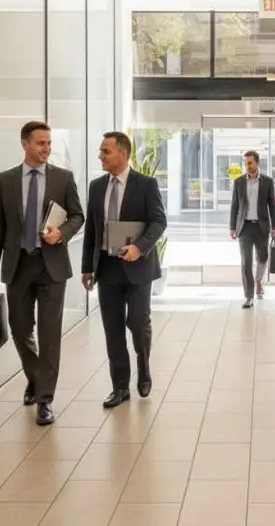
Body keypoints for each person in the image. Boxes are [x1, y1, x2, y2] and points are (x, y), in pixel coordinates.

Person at [0, 121, 85, 425]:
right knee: (19, 328)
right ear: (24, 144)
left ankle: (45, 399)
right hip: (18, 265)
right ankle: (36, 376)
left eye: (49, 143)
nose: (46, 149)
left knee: (50, 334)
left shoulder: (63, 179)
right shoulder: (6, 180)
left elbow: (78, 216)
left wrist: (62, 233)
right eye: (40, 143)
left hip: (51, 265)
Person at [82, 131, 167, 409]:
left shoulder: (146, 184)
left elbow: (158, 222)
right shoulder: (96, 187)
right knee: (113, 329)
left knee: (138, 324)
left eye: (105, 151)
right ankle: (120, 386)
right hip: (107, 268)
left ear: (123, 153)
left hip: (138, 268)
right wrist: (87, 268)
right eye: (100, 151)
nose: (100, 156)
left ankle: (144, 366)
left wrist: (139, 247)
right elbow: (92, 231)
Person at [229, 150, 275, 309]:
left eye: (250, 163)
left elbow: (272, 205)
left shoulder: (268, 182)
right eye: (245, 163)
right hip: (244, 227)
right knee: (246, 263)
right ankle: (249, 296)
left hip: (262, 226)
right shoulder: (239, 182)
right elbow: (234, 206)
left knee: (263, 258)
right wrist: (232, 227)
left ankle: (258, 281)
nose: (247, 166)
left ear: (257, 162)